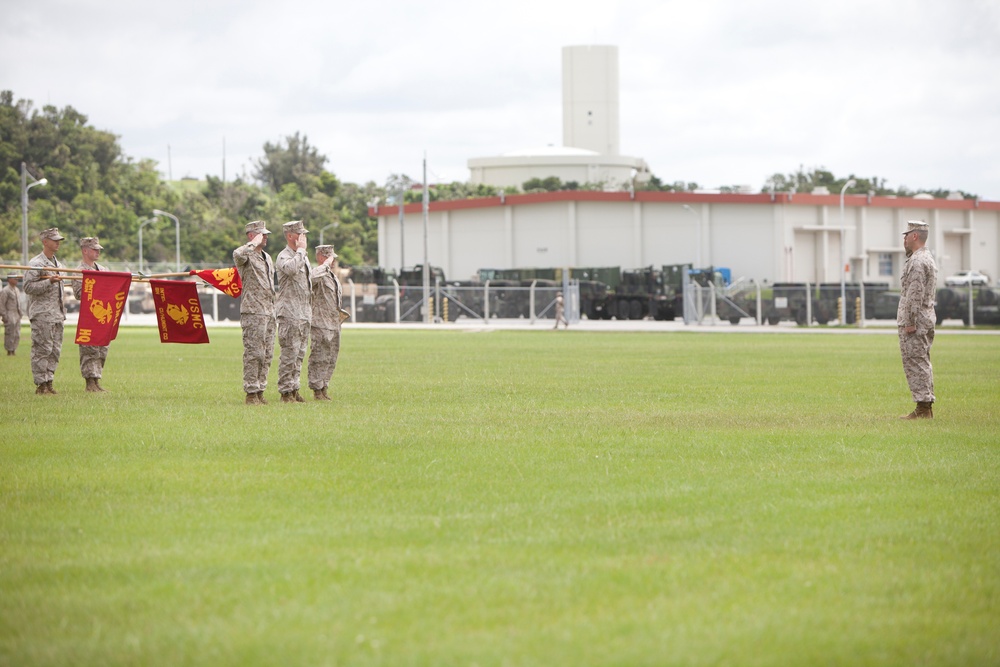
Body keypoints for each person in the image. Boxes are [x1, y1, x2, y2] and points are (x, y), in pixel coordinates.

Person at [233, 220, 277, 405]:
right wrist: (252, 244)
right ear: (251, 235)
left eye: (266, 234)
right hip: (253, 311)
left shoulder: (267, 257)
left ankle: (260, 390)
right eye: (261, 234)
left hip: (269, 311)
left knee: (267, 353)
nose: (265, 237)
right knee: (254, 353)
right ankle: (251, 393)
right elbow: (237, 254)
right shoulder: (246, 254)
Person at [897, 220, 937, 419]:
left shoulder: (918, 261)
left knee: (916, 362)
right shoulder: (924, 257)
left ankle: (923, 409)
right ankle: (924, 407)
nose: (903, 239)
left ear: (914, 236)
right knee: (921, 361)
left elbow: (915, 294)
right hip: (924, 318)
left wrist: (910, 321)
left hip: (917, 321)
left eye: (906, 235)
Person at [23, 228, 67, 394]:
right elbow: (28, 287)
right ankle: (41, 384)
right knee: (42, 349)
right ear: (45, 242)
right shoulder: (36, 264)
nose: (57, 243)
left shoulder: (59, 264)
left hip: (57, 314)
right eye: (54, 240)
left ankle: (49, 381)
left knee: (55, 350)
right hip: (42, 314)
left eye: (59, 240)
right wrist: (48, 282)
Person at [275, 220, 312, 403]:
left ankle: (294, 388)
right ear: (290, 236)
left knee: (299, 354)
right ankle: (285, 392)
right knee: (289, 353)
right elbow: (290, 269)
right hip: (289, 312)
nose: (303, 238)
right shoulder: (285, 256)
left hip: (303, 313)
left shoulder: (302, 256)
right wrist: (301, 251)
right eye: (300, 234)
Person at [72, 237, 111, 392]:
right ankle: (89, 382)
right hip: (89, 315)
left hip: (103, 316)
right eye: (94, 249)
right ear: (85, 251)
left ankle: (97, 380)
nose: (98, 252)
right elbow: (79, 293)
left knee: (102, 348)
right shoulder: (78, 271)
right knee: (89, 348)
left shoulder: (103, 270)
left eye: (98, 249)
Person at [307, 245, 344, 401]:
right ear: (321, 257)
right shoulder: (319, 273)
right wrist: (324, 265)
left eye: (333, 258)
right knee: (319, 357)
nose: (333, 261)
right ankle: (317, 389)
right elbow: (311, 279)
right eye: (330, 257)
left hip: (334, 323)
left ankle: (324, 387)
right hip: (320, 322)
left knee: (330, 357)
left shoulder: (332, 276)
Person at [1, 274, 23, 356]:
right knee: (9, 333)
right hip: (9, 312)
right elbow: (2, 304)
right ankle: (9, 350)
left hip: (16, 313)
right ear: (9, 279)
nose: (16, 280)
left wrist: (20, 313)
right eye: (15, 279)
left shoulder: (16, 289)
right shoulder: (5, 290)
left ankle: (14, 349)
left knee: (17, 333)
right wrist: (4, 315)